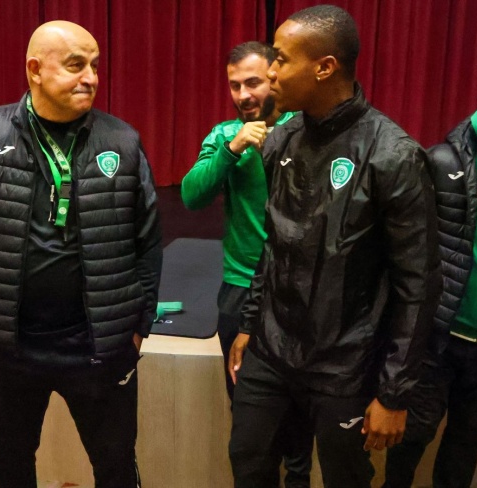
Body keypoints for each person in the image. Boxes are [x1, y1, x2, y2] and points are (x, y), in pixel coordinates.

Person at [0, 21, 162, 488]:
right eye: (76, 65)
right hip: (11, 346)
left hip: (97, 346)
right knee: (11, 465)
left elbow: (147, 242)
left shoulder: (122, 140)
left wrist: (138, 326)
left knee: (117, 466)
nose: (91, 78)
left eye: (95, 66)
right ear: (35, 70)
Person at [226, 6, 441, 488]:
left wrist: (394, 392)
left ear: (324, 67)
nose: (270, 71)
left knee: (345, 477)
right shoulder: (281, 141)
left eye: (281, 59)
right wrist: (250, 323)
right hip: (271, 349)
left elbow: (418, 285)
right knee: (247, 461)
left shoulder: (394, 155)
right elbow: (273, 246)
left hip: (347, 363)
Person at [384, 68, 477, 488]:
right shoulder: (441, 163)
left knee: (466, 445)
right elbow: (406, 254)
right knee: (411, 439)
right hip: (438, 338)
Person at [181, 41, 311, 488]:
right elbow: (191, 195)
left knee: (300, 412)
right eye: (235, 85)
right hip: (240, 290)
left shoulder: (307, 130)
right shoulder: (225, 135)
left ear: (275, 77)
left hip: (298, 289)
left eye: (252, 83)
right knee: (249, 413)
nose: (243, 95)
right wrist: (232, 149)